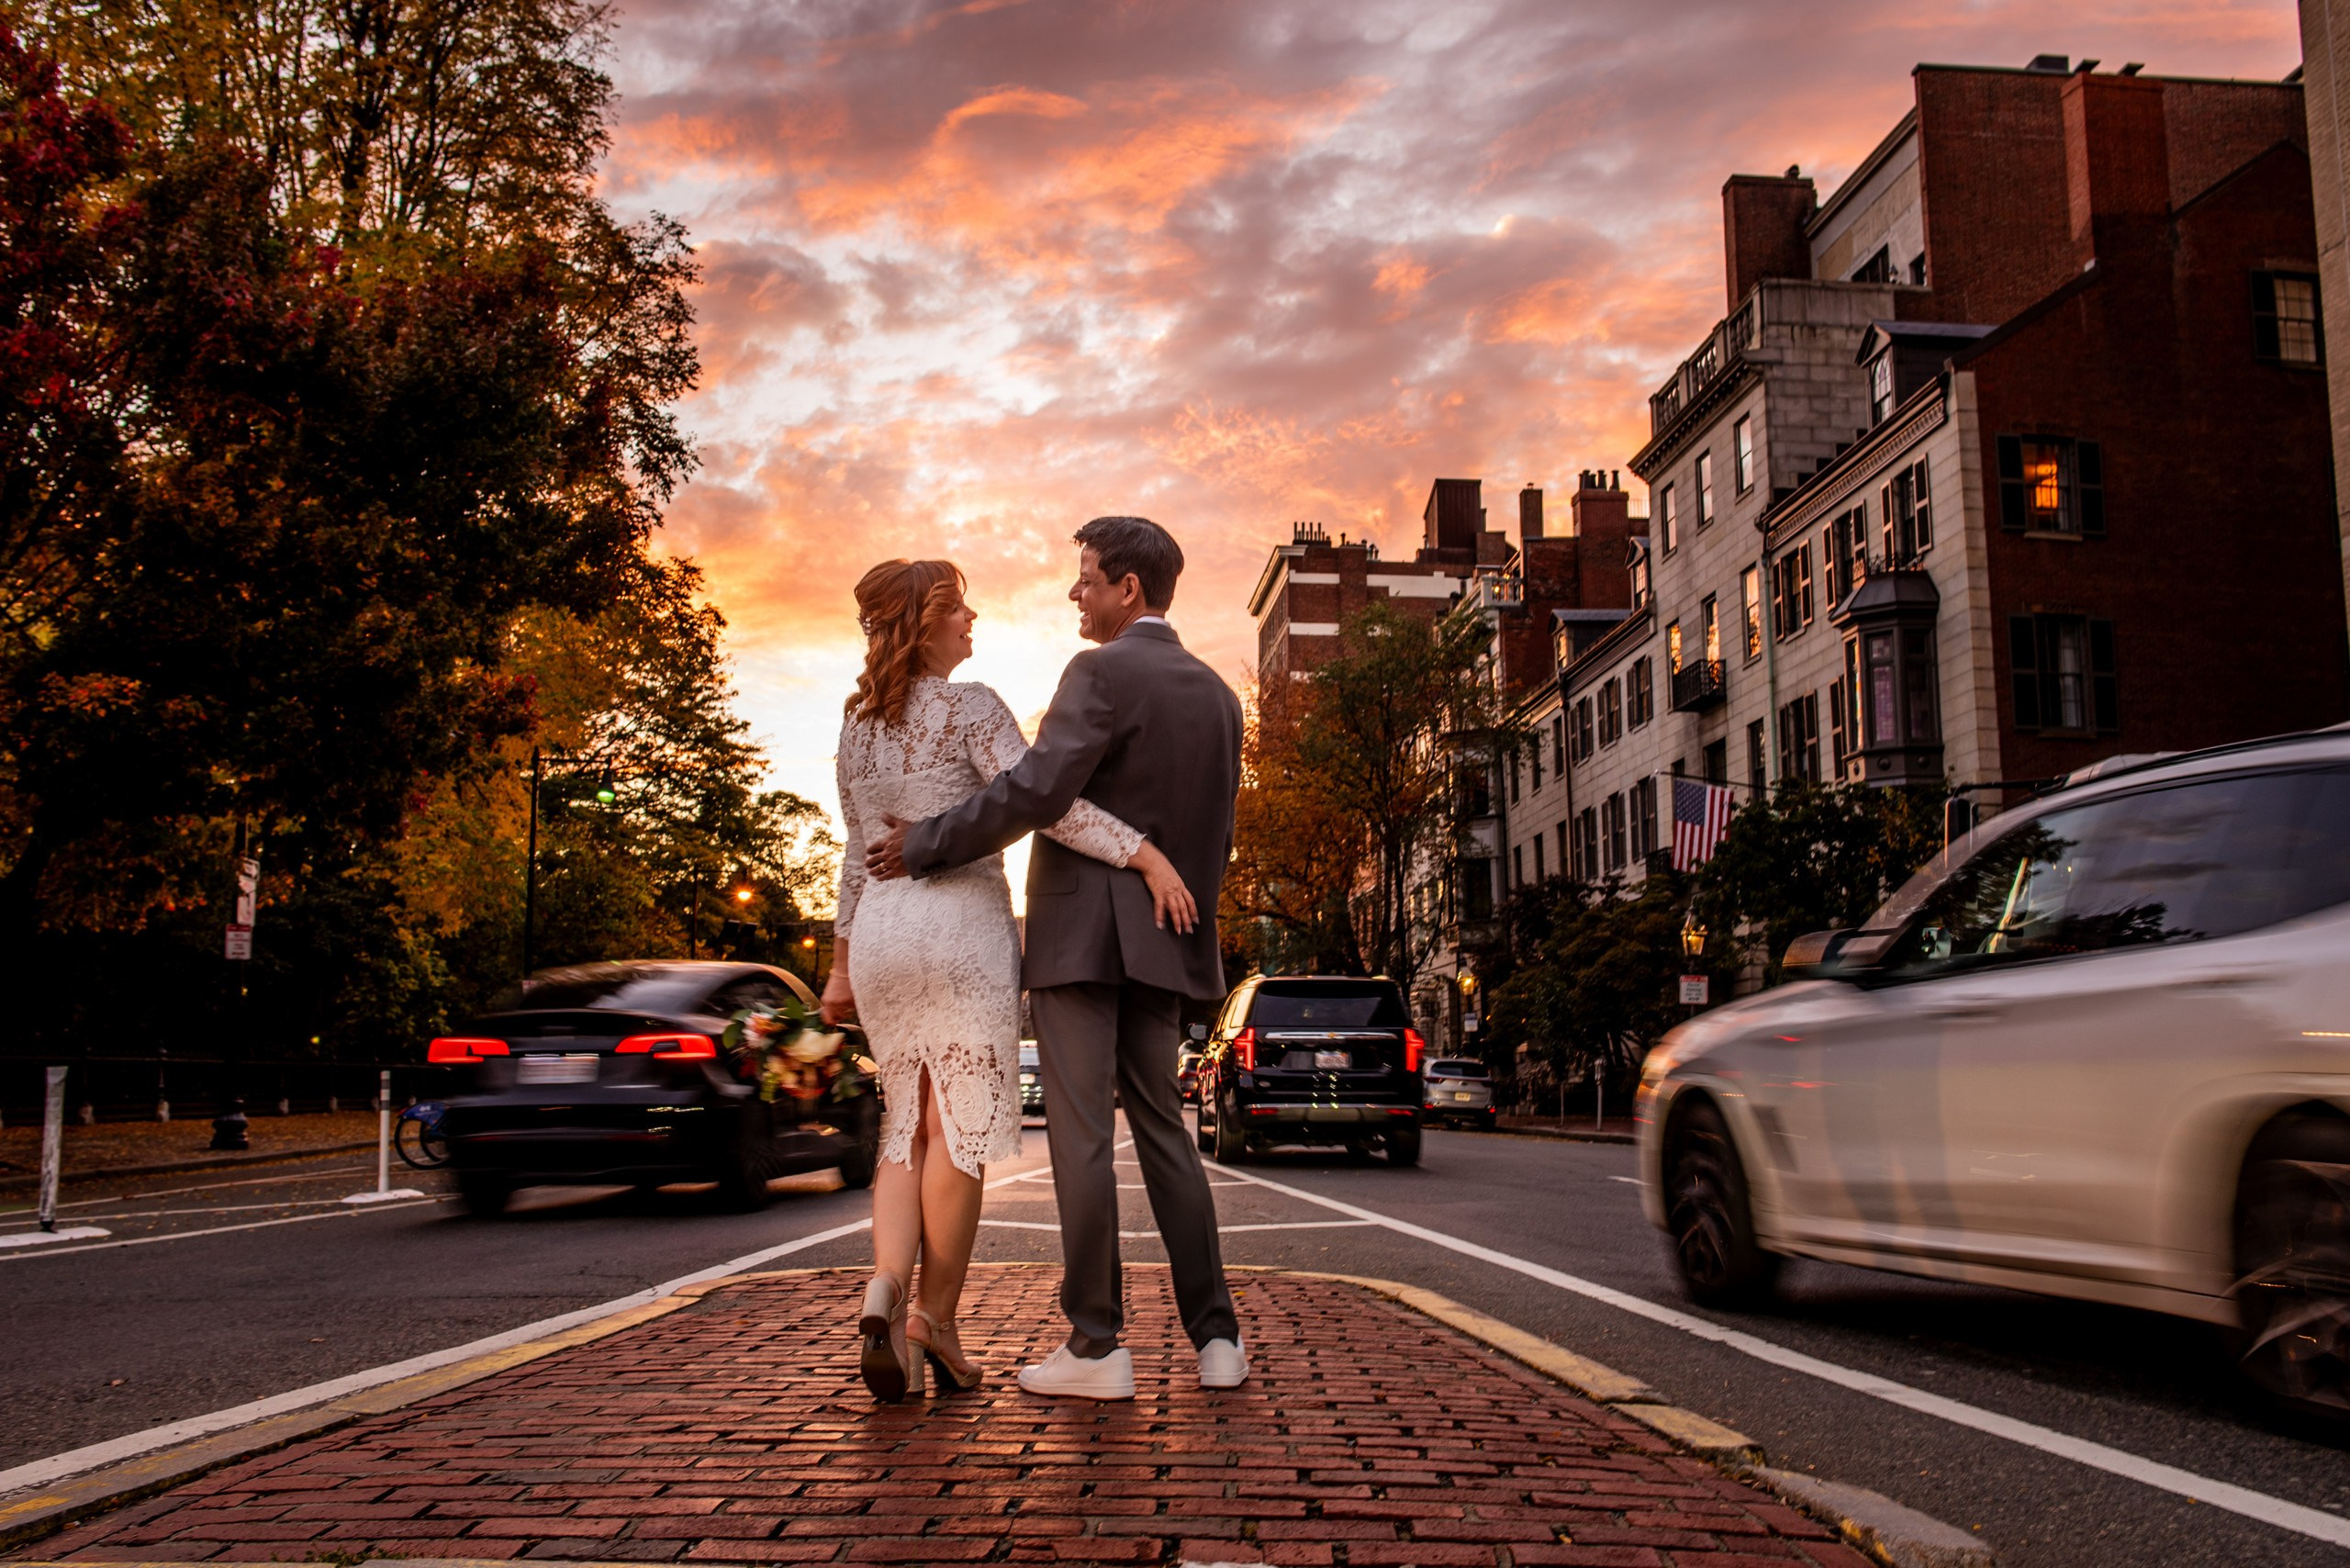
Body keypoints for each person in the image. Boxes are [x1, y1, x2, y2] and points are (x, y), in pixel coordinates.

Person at [863, 516, 1248, 1400]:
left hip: (1082, 940)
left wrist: (927, 842)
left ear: (1129, 591)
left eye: (1086, 579)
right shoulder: (1222, 695)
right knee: (1164, 1134)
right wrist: (1181, 910)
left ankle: (1096, 1346)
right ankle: (1216, 1339)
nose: (1075, 594)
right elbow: (1216, 837)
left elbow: (1040, 791)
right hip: (1168, 936)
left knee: (1079, 1138)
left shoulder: (1099, 671)